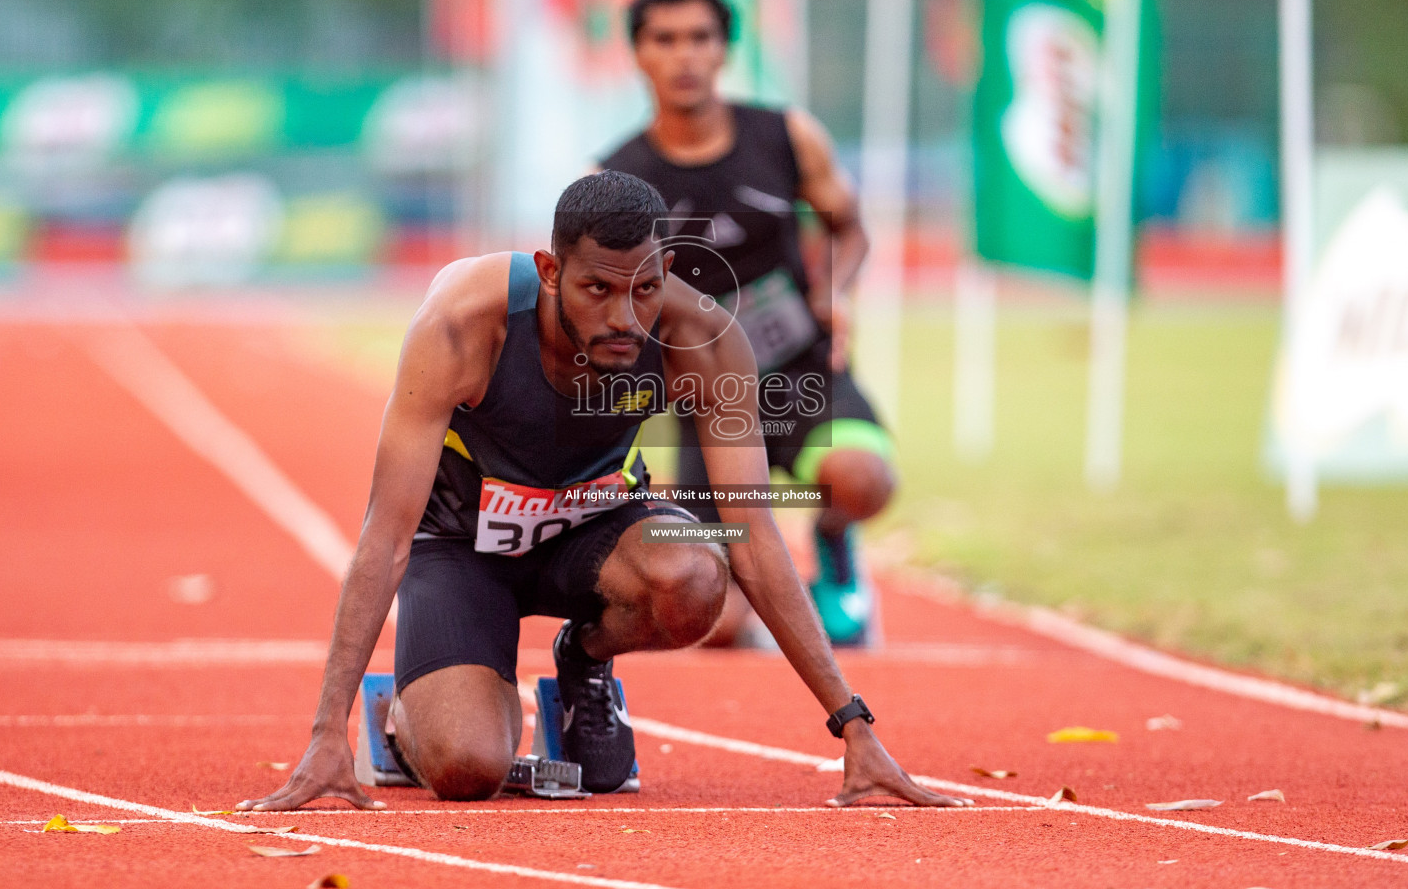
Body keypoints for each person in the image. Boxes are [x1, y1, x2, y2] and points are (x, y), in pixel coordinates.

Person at [237, 171, 967, 808]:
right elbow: (387, 535)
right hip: (462, 546)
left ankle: (582, 665)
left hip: (595, 528)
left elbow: (753, 533)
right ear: (550, 270)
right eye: (598, 290)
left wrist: (855, 726)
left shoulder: (703, 339)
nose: (624, 317)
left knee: (696, 574)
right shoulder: (465, 323)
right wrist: (323, 733)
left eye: (645, 288)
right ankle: (398, 718)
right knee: (468, 768)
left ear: (668, 269)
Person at [601, 0, 894, 647]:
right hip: (711, 408)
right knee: (715, 623)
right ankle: (746, 582)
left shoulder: (785, 136)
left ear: (724, 50)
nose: (684, 56)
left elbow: (850, 228)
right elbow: (602, 301)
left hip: (802, 374)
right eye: (665, 40)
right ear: (639, 54)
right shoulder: (615, 179)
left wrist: (835, 291)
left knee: (862, 479)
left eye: (700, 38)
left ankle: (833, 541)